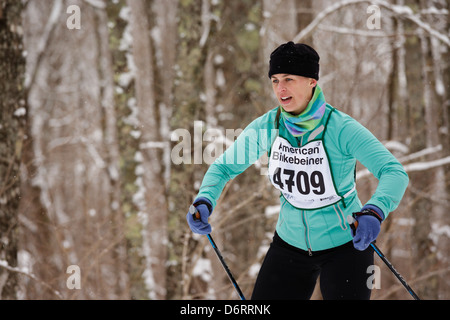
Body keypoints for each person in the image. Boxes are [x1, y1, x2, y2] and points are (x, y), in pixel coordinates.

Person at [186, 41, 409, 300]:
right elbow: (224, 166)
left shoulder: (340, 128)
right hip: (289, 246)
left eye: (289, 79)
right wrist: (205, 198)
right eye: (275, 80)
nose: (280, 88)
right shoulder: (268, 126)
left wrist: (375, 210)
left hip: (346, 246)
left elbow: (393, 171)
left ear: (311, 81)